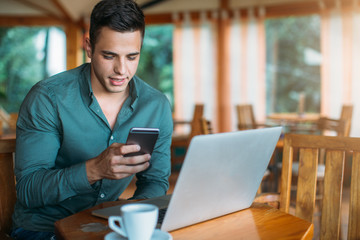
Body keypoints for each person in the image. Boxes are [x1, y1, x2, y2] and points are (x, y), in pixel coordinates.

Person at [11, 0, 173, 239]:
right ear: (89, 47)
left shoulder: (155, 106)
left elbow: (155, 181)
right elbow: (28, 190)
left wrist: (135, 225)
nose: (121, 70)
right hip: (43, 228)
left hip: (109, 225)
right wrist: (94, 169)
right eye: (109, 55)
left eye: (132, 57)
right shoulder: (48, 98)